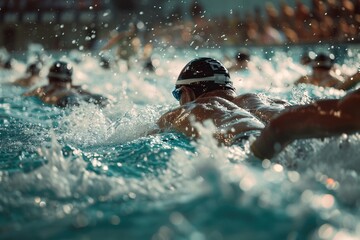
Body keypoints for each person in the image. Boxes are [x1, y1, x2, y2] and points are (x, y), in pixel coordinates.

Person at [157, 57, 360, 159]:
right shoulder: (258, 99)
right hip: (313, 136)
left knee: (280, 131)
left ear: (187, 92)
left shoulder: (196, 107)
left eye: (178, 95)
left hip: (255, 146)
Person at [23, 60, 109, 108]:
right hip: (82, 98)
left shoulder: (42, 89)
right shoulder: (78, 88)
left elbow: (24, 96)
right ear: (70, 80)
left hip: (65, 99)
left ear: (49, 78)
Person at [295, 53, 360, 90]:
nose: (319, 71)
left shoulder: (334, 80)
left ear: (329, 69)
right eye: (317, 68)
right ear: (313, 68)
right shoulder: (305, 78)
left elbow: (353, 79)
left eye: (324, 68)